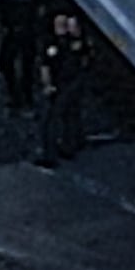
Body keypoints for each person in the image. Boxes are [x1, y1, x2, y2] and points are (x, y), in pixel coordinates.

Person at [37, 13, 91, 167]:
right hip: (71, 81)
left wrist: (47, 85)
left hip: (63, 83)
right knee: (71, 115)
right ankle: (70, 146)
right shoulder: (72, 42)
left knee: (52, 118)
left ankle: (50, 155)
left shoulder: (54, 44)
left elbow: (46, 66)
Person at [0, 0, 39, 113]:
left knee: (27, 67)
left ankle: (27, 97)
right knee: (6, 63)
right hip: (12, 32)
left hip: (27, 33)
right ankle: (15, 95)